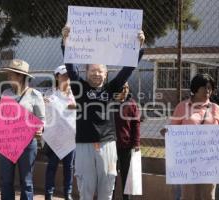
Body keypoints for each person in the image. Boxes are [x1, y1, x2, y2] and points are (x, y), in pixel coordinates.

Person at [62, 25, 145, 200]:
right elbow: (70, 67)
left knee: (107, 187)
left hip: (108, 144)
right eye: (92, 71)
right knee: (86, 188)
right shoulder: (80, 88)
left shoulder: (111, 89)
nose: (96, 74)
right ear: (86, 72)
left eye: (100, 71)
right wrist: (66, 42)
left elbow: (127, 70)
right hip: (84, 144)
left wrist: (139, 47)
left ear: (106, 73)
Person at [161, 73, 219, 200]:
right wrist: (167, 132)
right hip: (188, 159)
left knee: (208, 195)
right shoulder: (182, 107)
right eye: (205, 87)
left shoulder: (215, 108)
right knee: (189, 195)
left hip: (210, 159)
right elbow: (173, 129)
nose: (208, 90)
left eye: (210, 88)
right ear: (195, 88)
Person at [0, 59, 45, 200]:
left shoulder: (35, 95)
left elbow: (41, 119)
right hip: (7, 143)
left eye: (11, 75)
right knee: (6, 181)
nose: (8, 78)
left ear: (20, 76)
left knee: (26, 182)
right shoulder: (6, 93)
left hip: (27, 144)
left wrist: (40, 128)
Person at [43, 65, 76, 200]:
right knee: (52, 166)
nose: (66, 78)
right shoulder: (49, 94)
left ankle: (67, 193)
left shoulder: (76, 94)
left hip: (71, 137)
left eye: (68, 76)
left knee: (69, 167)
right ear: (56, 76)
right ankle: (48, 193)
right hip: (54, 137)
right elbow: (45, 115)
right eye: (63, 75)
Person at [114, 82, 140, 200]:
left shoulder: (132, 104)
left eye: (127, 87)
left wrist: (136, 143)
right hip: (110, 146)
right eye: (122, 87)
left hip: (126, 146)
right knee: (110, 175)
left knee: (126, 175)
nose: (125, 90)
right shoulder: (109, 103)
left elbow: (136, 125)